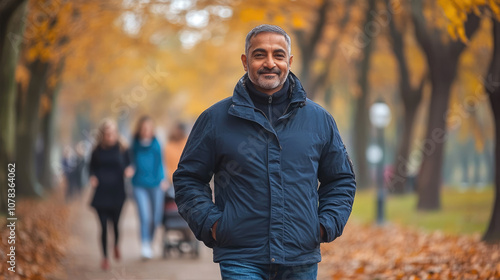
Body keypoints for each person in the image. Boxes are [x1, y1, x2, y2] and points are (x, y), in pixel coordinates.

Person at [173, 24, 356, 279]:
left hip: (300, 258)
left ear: (289, 61)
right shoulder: (215, 119)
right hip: (240, 257)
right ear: (245, 61)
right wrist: (213, 225)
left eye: (278, 55)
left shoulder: (319, 120)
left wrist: (324, 226)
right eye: (260, 55)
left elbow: (340, 180)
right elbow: (189, 178)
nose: (270, 63)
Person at [89, 119, 132, 270]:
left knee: (115, 224)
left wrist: (129, 170)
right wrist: (92, 177)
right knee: (103, 226)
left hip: (117, 192)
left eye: (113, 133)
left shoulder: (123, 148)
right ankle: (105, 258)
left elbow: (129, 164)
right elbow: (91, 168)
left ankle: (116, 245)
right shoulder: (96, 151)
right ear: (102, 134)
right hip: (101, 193)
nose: (110, 136)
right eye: (107, 133)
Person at [130, 116, 167, 259]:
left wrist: (163, 179)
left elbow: (160, 163)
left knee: (155, 218)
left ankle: (149, 242)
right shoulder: (134, 144)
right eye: (143, 128)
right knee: (145, 216)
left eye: (148, 128)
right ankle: (145, 245)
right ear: (139, 129)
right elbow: (130, 160)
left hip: (156, 184)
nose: (146, 131)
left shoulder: (156, 144)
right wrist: (130, 168)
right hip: (139, 184)